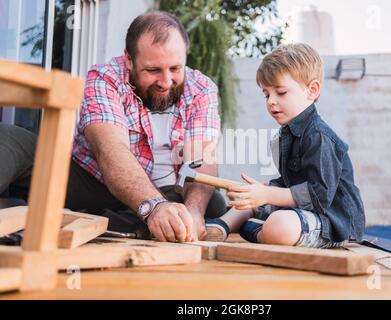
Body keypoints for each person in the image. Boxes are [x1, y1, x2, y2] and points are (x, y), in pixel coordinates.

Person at [0, 11, 227, 242]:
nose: (166, 82)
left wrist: (194, 213)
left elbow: (201, 160)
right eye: (153, 70)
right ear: (129, 59)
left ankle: (101, 220)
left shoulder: (201, 89)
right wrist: (153, 206)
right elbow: (111, 150)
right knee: (7, 139)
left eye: (175, 69)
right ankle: (124, 218)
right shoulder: (105, 78)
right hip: (92, 181)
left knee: (211, 203)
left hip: (164, 191)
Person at [205, 43, 365, 248]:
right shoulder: (286, 134)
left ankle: (257, 231)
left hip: (331, 223)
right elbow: (291, 182)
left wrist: (269, 195)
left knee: (280, 225)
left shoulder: (320, 136)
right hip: (302, 213)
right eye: (266, 94)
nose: (271, 101)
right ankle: (221, 226)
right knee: (250, 199)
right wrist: (265, 189)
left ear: (312, 90)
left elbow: (319, 196)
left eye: (280, 92)